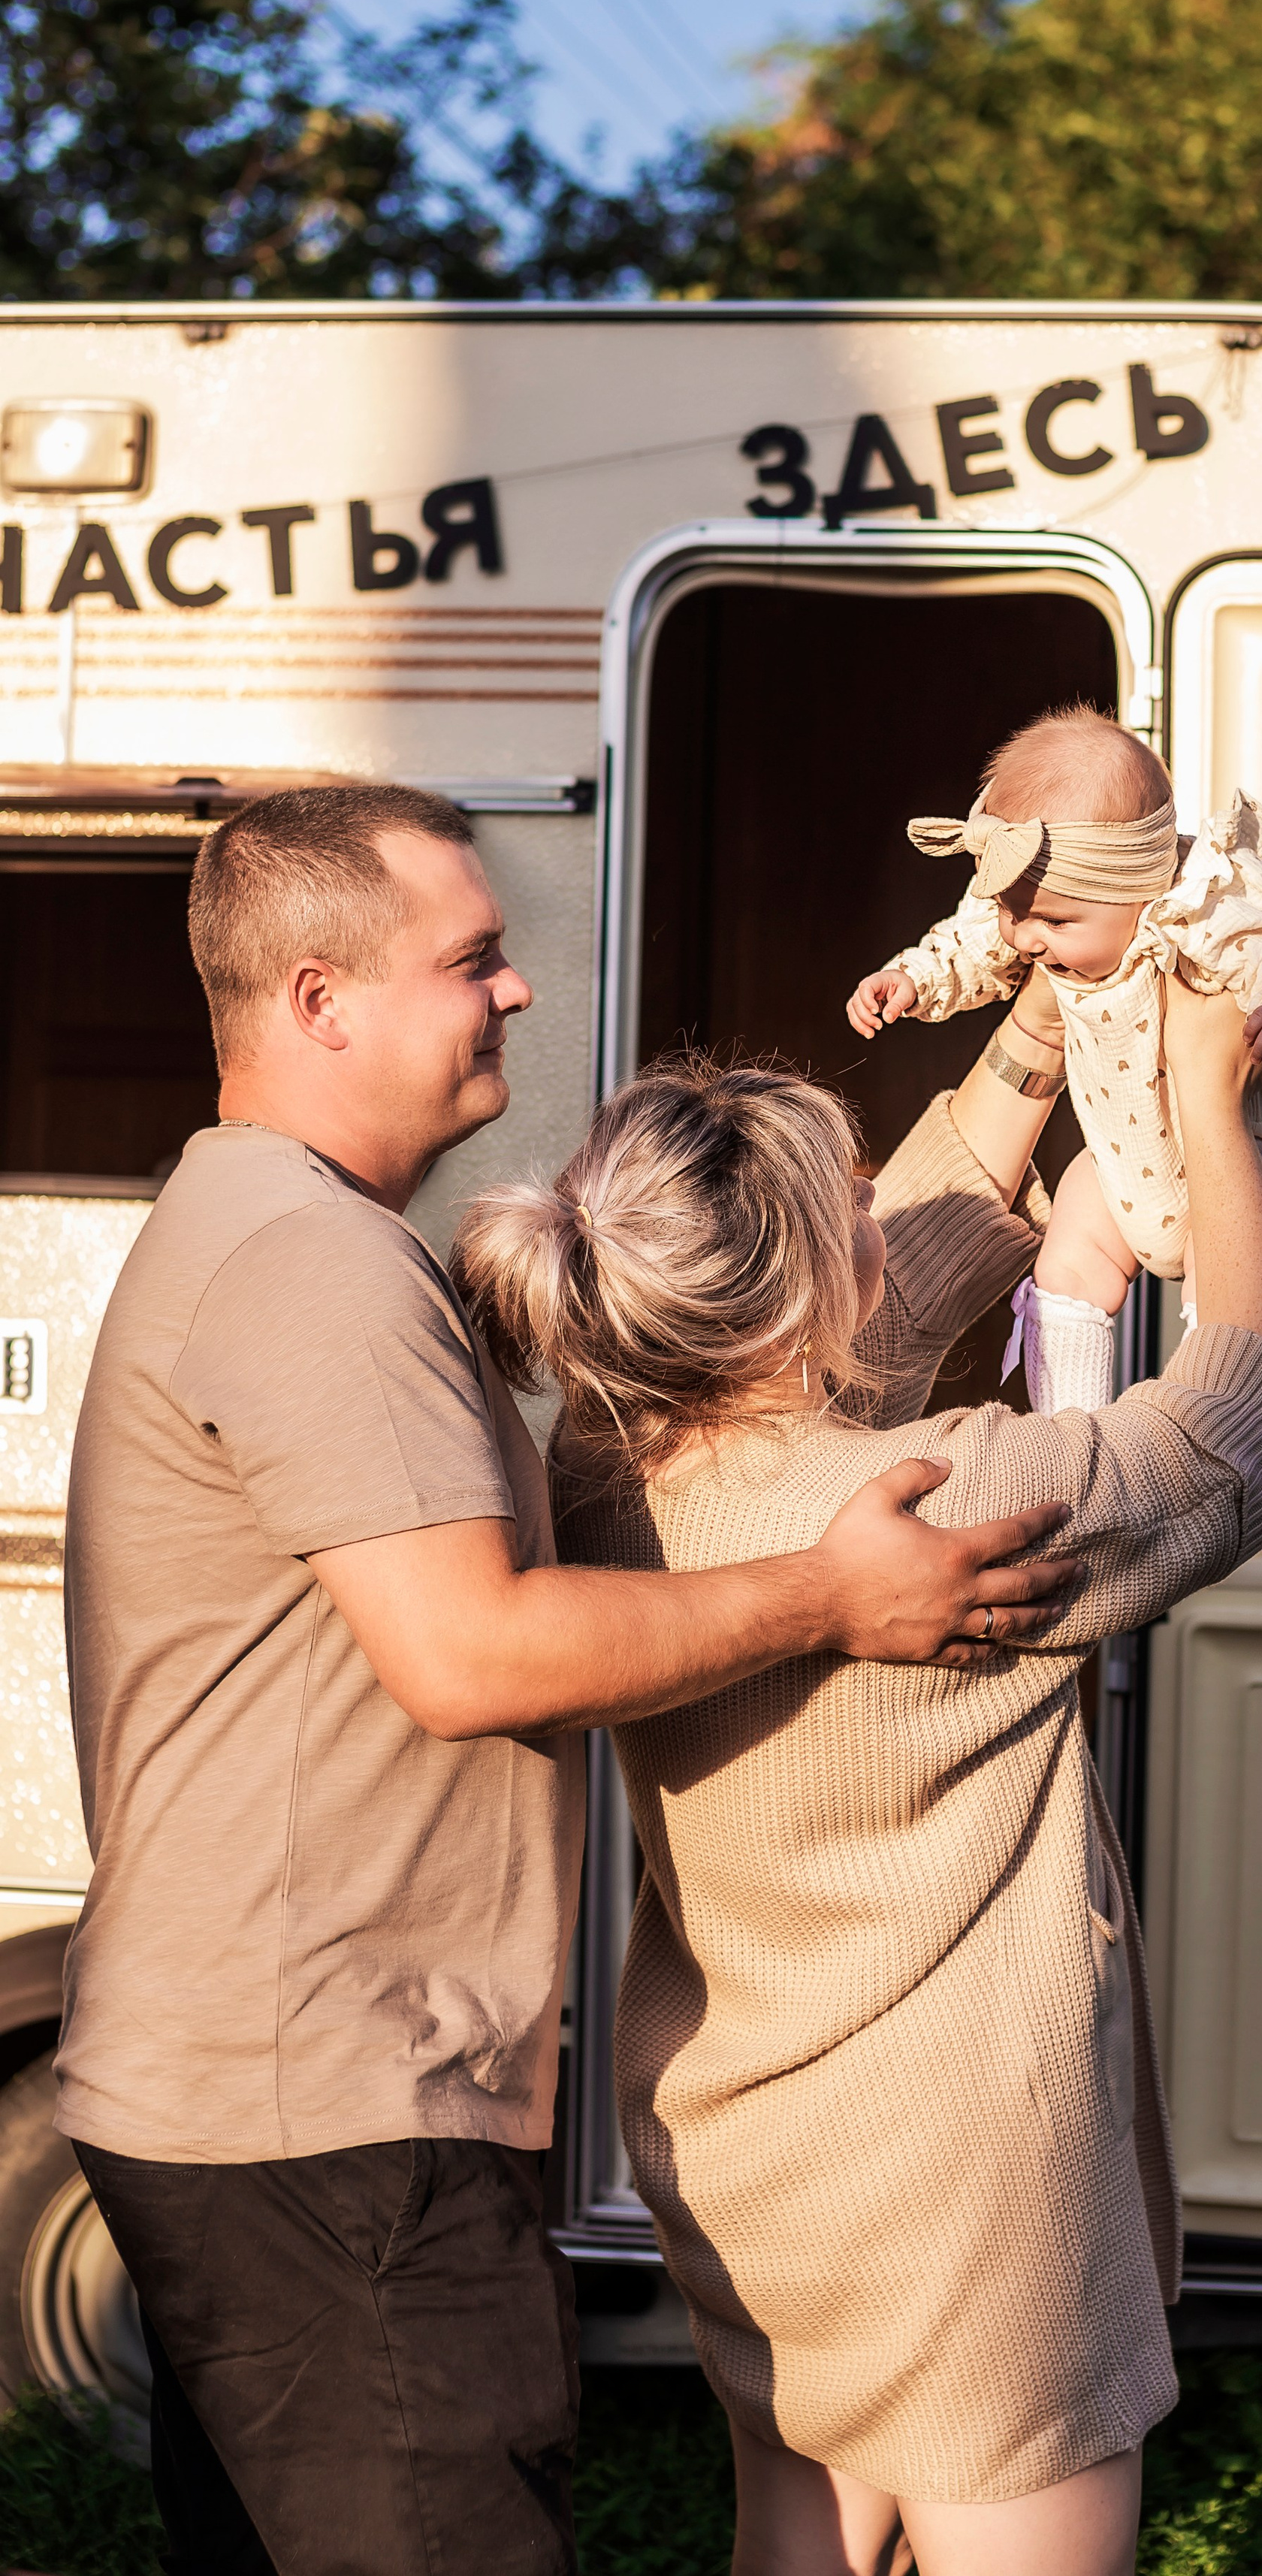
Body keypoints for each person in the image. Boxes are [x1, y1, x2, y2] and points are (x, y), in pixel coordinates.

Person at [55, 783, 1075, 2576]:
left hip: (273, 2094)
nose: (515, 992)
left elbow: (763, 1352)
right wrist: (832, 1589)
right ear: (320, 999)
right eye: (473, 957)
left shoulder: (282, 1228)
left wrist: (1037, 1046)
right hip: (330, 2113)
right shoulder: (313, 1264)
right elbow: (473, 1650)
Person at [451, 944, 1262, 2576]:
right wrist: (1207, 1106)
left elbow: (878, 1276)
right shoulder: (935, 1514)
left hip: (755, 2149)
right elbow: (1248, 1426)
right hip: (967, 2198)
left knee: (795, 2544)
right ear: (796, 1301)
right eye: (848, 1197)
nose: (881, 1210)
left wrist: (1059, 1006)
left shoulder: (607, 1468)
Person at [847, 703, 1262, 1415]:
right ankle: (1069, 1423)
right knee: (1067, 1259)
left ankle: (1206, 1412)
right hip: (1119, 1163)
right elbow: (970, 944)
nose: (1023, 937)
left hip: (1235, 1166)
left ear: (1140, 888)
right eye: (1010, 910)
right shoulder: (1033, 915)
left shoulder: (1203, 908)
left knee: (1235, 1288)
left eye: (1055, 921)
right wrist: (913, 979)